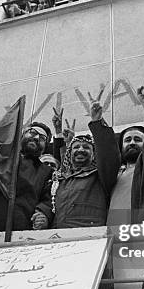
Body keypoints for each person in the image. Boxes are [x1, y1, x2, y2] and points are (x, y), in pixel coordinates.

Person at [0, 87, 53, 232]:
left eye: (42, 138)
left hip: (18, 233)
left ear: (45, 147)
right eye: (32, 132)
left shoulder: (46, 172)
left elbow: (48, 199)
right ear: (22, 135)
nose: (36, 138)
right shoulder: (1, 157)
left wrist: (42, 213)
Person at [51, 91, 121, 228]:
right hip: (58, 238)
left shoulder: (100, 176)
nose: (81, 149)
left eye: (86, 147)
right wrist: (59, 132)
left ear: (94, 154)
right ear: (69, 154)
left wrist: (97, 123)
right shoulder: (62, 179)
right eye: (76, 147)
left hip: (89, 237)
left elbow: (108, 155)